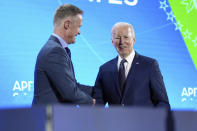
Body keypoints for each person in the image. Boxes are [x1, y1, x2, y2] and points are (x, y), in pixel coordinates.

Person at [93, 22, 170, 108]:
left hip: (144, 121)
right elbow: (97, 104)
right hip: (115, 121)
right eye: (117, 38)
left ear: (134, 39)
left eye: (126, 37)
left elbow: (162, 102)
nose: (122, 42)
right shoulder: (104, 69)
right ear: (112, 41)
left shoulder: (150, 65)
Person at [32, 4, 95, 105]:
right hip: (50, 118)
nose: (79, 32)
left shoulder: (57, 48)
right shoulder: (54, 51)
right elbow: (70, 92)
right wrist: (92, 102)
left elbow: (72, 86)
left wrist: (99, 91)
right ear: (67, 24)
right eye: (79, 26)